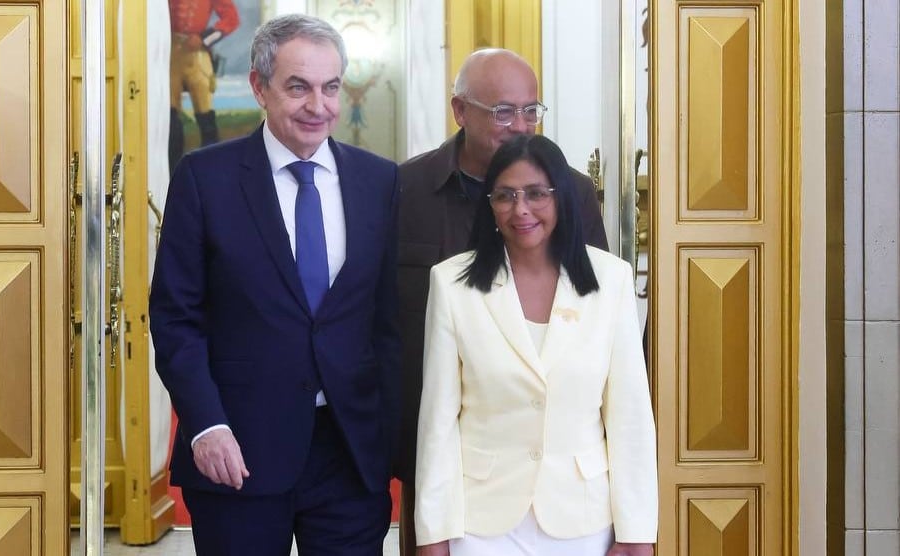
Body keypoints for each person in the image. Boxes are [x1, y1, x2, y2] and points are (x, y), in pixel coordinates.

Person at [150, 14, 400, 555]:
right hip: (238, 451)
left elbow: (389, 321)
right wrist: (205, 424)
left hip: (349, 453)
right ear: (261, 88)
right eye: (298, 87)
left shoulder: (380, 181)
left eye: (330, 87)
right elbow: (175, 318)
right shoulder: (204, 178)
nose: (319, 106)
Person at [396, 48, 608, 555]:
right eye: (503, 112)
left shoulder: (574, 192)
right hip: (433, 443)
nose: (520, 126)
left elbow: (595, 319)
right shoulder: (406, 189)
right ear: (459, 110)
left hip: (557, 464)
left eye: (531, 110)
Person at [414, 134, 657, 556]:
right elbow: (437, 422)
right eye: (505, 195)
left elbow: (629, 417)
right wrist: (432, 534)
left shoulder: (611, 281)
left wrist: (637, 532)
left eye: (536, 194)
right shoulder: (452, 283)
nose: (520, 209)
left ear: (561, 198)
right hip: (481, 522)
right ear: (489, 205)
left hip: (582, 518)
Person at [168, 0, 240, 170]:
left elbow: (231, 19)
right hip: (170, 53)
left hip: (197, 54)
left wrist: (204, 38)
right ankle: (173, 171)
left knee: (205, 113)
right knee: (171, 116)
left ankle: (211, 169)